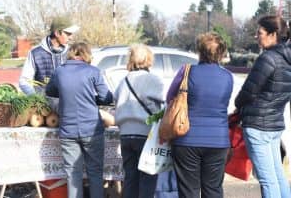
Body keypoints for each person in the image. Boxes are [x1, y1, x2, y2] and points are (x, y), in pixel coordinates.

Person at [168, 32, 233, 198]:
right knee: (213, 190)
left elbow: (170, 98)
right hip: (218, 140)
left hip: (186, 138)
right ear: (221, 52)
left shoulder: (187, 72)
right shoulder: (227, 77)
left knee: (188, 191)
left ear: (199, 51)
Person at [45, 42, 113, 198]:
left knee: (72, 175)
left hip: (68, 131)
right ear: (86, 54)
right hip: (91, 130)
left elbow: (50, 91)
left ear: (71, 53)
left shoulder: (59, 72)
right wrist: (92, 98)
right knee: (95, 173)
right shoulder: (93, 71)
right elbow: (106, 97)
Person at [235, 15, 291, 198]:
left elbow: (248, 92)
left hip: (258, 125)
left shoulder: (268, 59)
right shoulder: (286, 59)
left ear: (273, 34)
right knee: (278, 176)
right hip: (274, 124)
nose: (256, 37)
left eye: (259, 33)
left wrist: (237, 104)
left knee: (268, 180)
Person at [113, 44, 165, 198]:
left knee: (130, 179)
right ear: (148, 59)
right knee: (147, 180)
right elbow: (163, 106)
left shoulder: (123, 81)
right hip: (146, 135)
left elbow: (116, 102)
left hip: (125, 135)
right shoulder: (153, 80)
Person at [19, 15, 79, 94]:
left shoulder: (71, 52)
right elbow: (24, 81)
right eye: (68, 34)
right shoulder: (35, 53)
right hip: (44, 104)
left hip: (67, 104)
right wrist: (36, 99)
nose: (71, 37)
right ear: (57, 33)